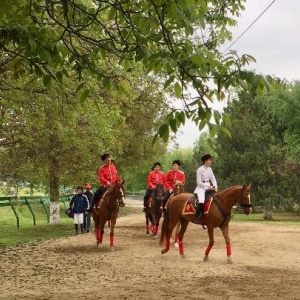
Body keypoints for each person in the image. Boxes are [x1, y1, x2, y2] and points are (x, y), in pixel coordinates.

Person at [194, 153, 218, 224]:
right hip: (201, 188)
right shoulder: (199, 170)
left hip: (209, 187)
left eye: (211, 160)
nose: (211, 161)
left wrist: (215, 187)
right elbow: (198, 182)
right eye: (209, 160)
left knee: (215, 198)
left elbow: (213, 179)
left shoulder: (210, 169)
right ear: (205, 161)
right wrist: (208, 186)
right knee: (202, 200)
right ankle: (198, 217)